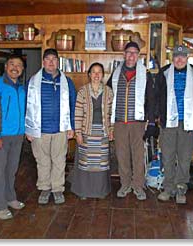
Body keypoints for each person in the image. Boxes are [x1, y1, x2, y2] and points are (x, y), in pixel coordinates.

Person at [107, 41, 157, 201]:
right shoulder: (115, 74)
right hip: (120, 122)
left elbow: (151, 99)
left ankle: (138, 186)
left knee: (138, 156)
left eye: (135, 53)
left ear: (139, 56)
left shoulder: (146, 74)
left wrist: (150, 122)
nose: (131, 56)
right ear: (124, 54)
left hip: (138, 122)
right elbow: (108, 95)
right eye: (129, 52)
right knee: (121, 155)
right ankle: (125, 184)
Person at [25, 48, 76, 205]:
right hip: (39, 129)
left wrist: (71, 126)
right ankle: (45, 188)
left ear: (58, 62)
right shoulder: (33, 81)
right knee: (42, 161)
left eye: (54, 59)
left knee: (59, 160)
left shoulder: (67, 82)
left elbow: (73, 105)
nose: (51, 62)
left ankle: (57, 189)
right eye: (48, 59)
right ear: (43, 62)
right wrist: (28, 128)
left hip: (60, 128)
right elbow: (25, 105)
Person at [156, 45, 193, 204]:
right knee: (168, 156)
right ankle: (168, 188)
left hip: (187, 123)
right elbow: (157, 97)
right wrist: (158, 118)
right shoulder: (163, 74)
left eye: (182, 56)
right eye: (176, 56)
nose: (179, 59)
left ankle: (181, 188)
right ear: (172, 58)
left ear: (187, 57)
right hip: (168, 122)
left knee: (184, 157)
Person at [0, 54, 26, 220]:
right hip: (1, 137)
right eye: (12, 64)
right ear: (6, 67)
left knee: (11, 170)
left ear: (22, 70)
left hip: (18, 136)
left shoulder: (22, 89)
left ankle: (10, 198)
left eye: (19, 65)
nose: (15, 67)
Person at [70, 62, 114, 199]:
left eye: (99, 72)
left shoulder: (108, 91)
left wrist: (111, 130)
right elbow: (77, 113)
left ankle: (100, 191)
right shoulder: (83, 91)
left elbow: (112, 114)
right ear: (89, 75)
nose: (96, 75)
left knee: (101, 163)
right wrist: (78, 133)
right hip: (86, 132)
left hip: (102, 132)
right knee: (85, 163)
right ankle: (84, 191)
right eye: (93, 72)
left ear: (103, 75)